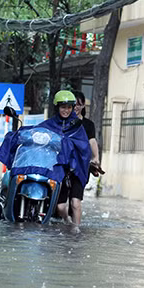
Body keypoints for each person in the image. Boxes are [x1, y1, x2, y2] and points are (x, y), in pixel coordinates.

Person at [49, 90, 92, 226]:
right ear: (57, 107)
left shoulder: (79, 126)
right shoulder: (51, 123)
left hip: (77, 169)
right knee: (60, 206)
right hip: (60, 169)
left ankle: (76, 230)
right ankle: (68, 222)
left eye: (69, 107)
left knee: (75, 202)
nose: (66, 110)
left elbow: (86, 146)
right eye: (63, 107)